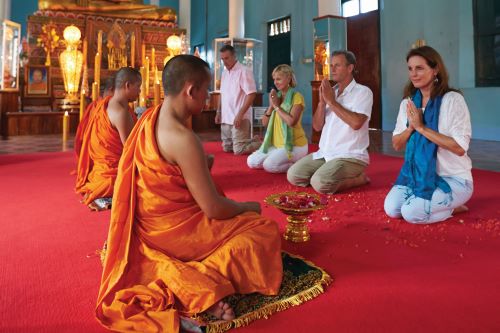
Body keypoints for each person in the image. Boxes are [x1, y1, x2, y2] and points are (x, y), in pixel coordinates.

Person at [95, 55, 283, 332]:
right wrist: (248, 207)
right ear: (191, 90)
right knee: (263, 230)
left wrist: (198, 165)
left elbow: (167, 171)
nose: (208, 97)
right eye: (206, 90)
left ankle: (185, 275)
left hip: (148, 228)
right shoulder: (184, 139)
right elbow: (214, 209)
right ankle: (195, 283)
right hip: (177, 234)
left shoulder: (150, 117)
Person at [384, 46, 473, 224]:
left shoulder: (453, 100)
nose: (413, 74)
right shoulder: (408, 104)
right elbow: (396, 144)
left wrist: (422, 128)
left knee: (410, 213)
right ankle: (444, 206)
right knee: (393, 209)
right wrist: (411, 128)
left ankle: (453, 206)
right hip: (416, 176)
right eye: (410, 68)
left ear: (435, 69)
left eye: (420, 68)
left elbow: (459, 148)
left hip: (453, 179)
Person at [287, 50, 373, 194]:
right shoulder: (330, 91)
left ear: (350, 68)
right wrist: (322, 103)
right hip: (326, 154)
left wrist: (331, 102)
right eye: (331, 65)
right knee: (294, 175)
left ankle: (358, 179)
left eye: (337, 65)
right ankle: (326, 175)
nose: (332, 69)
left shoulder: (363, 92)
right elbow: (317, 126)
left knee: (320, 183)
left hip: (350, 156)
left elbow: (356, 123)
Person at [75, 67, 140, 210]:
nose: (140, 91)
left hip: (99, 173)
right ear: (127, 85)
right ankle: (106, 196)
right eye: (138, 87)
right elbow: (130, 150)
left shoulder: (105, 105)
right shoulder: (121, 111)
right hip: (113, 173)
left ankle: (102, 194)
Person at [247, 64, 308, 173]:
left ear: (288, 78)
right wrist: (271, 106)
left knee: (269, 166)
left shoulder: (296, 97)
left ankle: (298, 166)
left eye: (278, 79)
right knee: (252, 161)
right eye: (274, 79)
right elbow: (264, 123)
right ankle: (282, 158)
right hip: (277, 145)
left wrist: (277, 107)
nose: (275, 82)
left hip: (294, 145)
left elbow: (291, 122)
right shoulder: (277, 97)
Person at [215, 44, 260, 155]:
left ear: (234, 56)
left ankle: (262, 144)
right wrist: (218, 112)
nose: (224, 62)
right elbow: (222, 94)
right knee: (227, 148)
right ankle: (252, 140)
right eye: (222, 59)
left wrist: (240, 114)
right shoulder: (224, 73)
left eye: (227, 58)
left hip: (240, 117)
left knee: (239, 150)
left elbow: (252, 94)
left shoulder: (244, 71)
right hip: (226, 117)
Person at [74, 76, 115, 158]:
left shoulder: (95, 105)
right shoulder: (104, 106)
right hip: (105, 154)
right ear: (112, 89)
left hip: (97, 152)